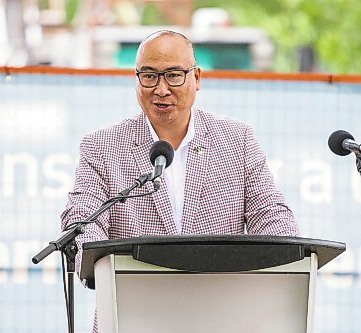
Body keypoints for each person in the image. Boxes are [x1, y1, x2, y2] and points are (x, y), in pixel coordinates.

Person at [61, 30, 299, 329]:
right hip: (131, 314)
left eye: (173, 75)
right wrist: (98, 267)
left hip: (221, 314)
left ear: (196, 78)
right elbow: (82, 219)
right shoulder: (101, 146)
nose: (161, 89)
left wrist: (287, 258)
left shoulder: (237, 141)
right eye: (149, 76)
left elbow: (271, 214)